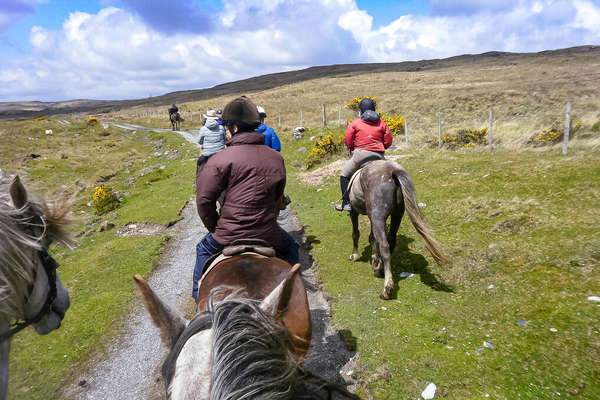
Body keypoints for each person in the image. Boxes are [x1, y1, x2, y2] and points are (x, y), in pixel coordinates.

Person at [192, 96, 299, 299]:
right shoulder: (276, 158)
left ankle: (199, 300)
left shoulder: (218, 159)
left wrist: (216, 228)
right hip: (268, 234)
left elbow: (204, 200)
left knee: (203, 249)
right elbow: (277, 199)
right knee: (292, 248)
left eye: (226, 127)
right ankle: (291, 295)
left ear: (233, 128)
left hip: (228, 234)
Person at [335, 98, 393, 212]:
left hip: (360, 155)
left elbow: (348, 141)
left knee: (344, 175)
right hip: (379, 156)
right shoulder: (382, 123)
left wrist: (353, 147)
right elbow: (388, 141)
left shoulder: (355, 123)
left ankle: (346, 202)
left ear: (361, 110)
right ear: (374, 109)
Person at [196, 109, 226, 173]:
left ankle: (197, 179)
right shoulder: (221, 127)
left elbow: (199, 141)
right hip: (220, 153)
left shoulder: (203, 129)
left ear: (207, 118)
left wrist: (203, 143)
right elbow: (224, 140)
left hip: (207, 154)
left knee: (199, 162)